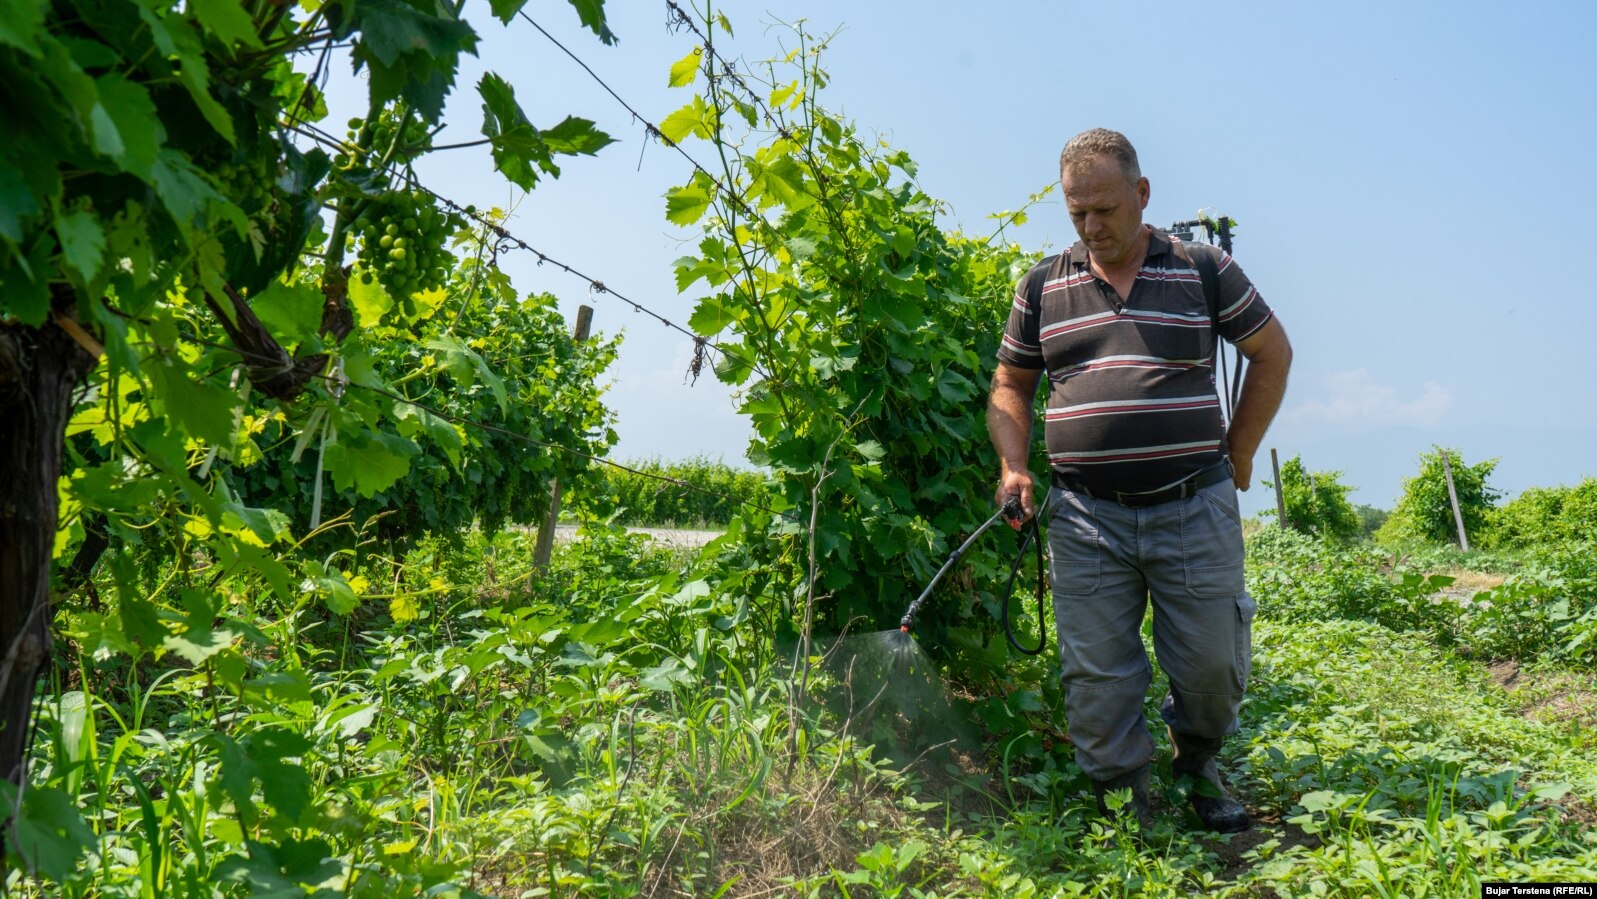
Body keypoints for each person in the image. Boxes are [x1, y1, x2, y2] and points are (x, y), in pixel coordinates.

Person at [986, 128, 1292, 833]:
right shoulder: (1042, 285)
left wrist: (1240, 450)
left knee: (1212, 662)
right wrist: (1013, 462)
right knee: (1097, 675)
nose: (1091, 227)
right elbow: (1010, 383)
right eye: (1076, 214)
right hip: (1086, 517)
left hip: (1193, 503)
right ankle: (1121, 794)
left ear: (1141, 194)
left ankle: (1199, 763)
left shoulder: (1202, 268)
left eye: (1103, 209)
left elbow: (1270, 353)